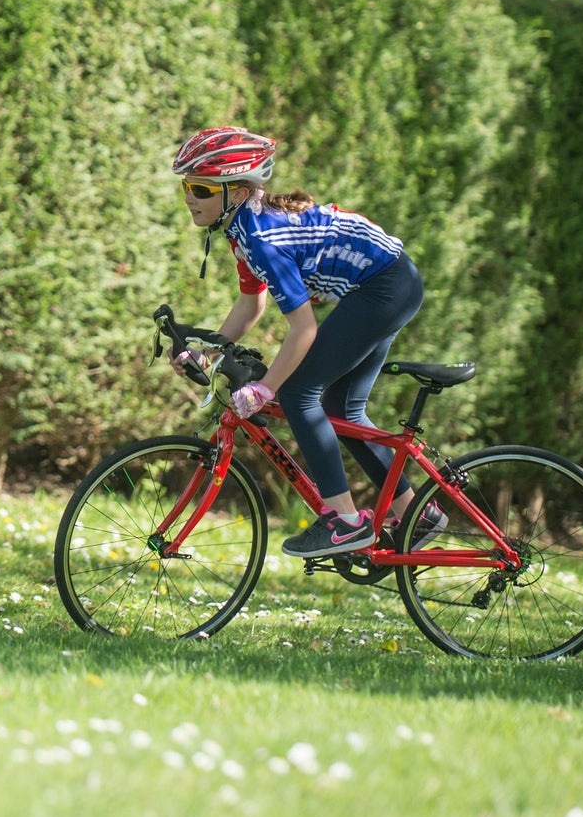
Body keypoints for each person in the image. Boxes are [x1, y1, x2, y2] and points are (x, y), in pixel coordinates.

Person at [169, 125, 442, 557]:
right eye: (187, 186)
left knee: (299, 393)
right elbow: (249, 308)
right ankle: (416, 511)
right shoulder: (244, 231)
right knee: (341, 408)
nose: (189, 197)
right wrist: (208, 351)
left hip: (384, 288)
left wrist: (266, 388)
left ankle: (345, 522)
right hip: (387, 284)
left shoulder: (261, 238)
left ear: (237, 193)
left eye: (201, 188)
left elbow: (305, 329)